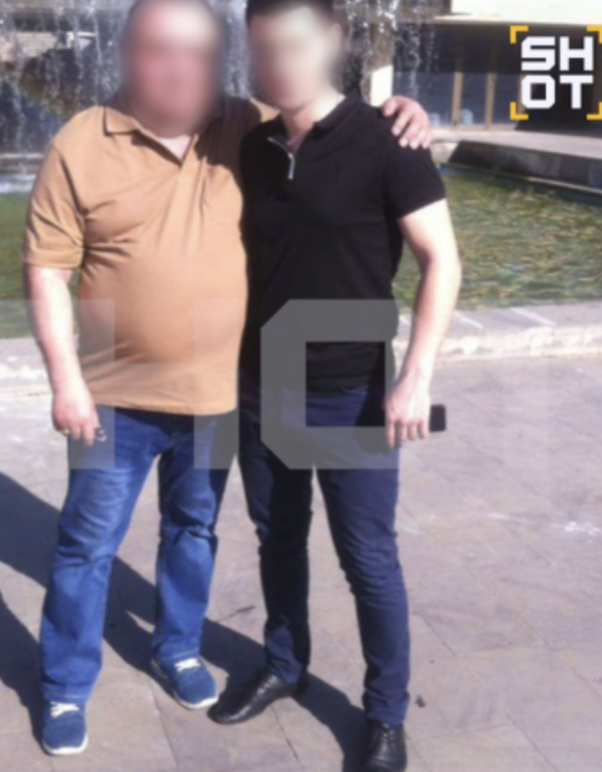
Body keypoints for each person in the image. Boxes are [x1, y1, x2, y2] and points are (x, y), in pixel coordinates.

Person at [22, 0, 432, 756]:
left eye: (199, 53)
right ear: (127, 51)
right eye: (159, 49)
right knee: (89, 545)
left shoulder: (242, 123)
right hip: (117, 396)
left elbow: (328, 116)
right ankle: (66, 686)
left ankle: (187, 651)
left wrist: (399, 111)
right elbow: (47, 269)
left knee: (204, 532)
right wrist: (65, 381)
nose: (179, 68)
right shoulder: (83, 141)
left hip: (229, 395)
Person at [206, 0, 462, 770]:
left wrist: (415, 378)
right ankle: (285, 664)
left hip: (352, 389)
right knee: (278, 538)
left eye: (294, 46)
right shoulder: (255, 146)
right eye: (263, 49)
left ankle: (385, 713)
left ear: (334, 41)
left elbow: (442, 263)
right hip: (266, 379)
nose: (279, 64)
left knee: (367, 560)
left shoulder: (390, 141)